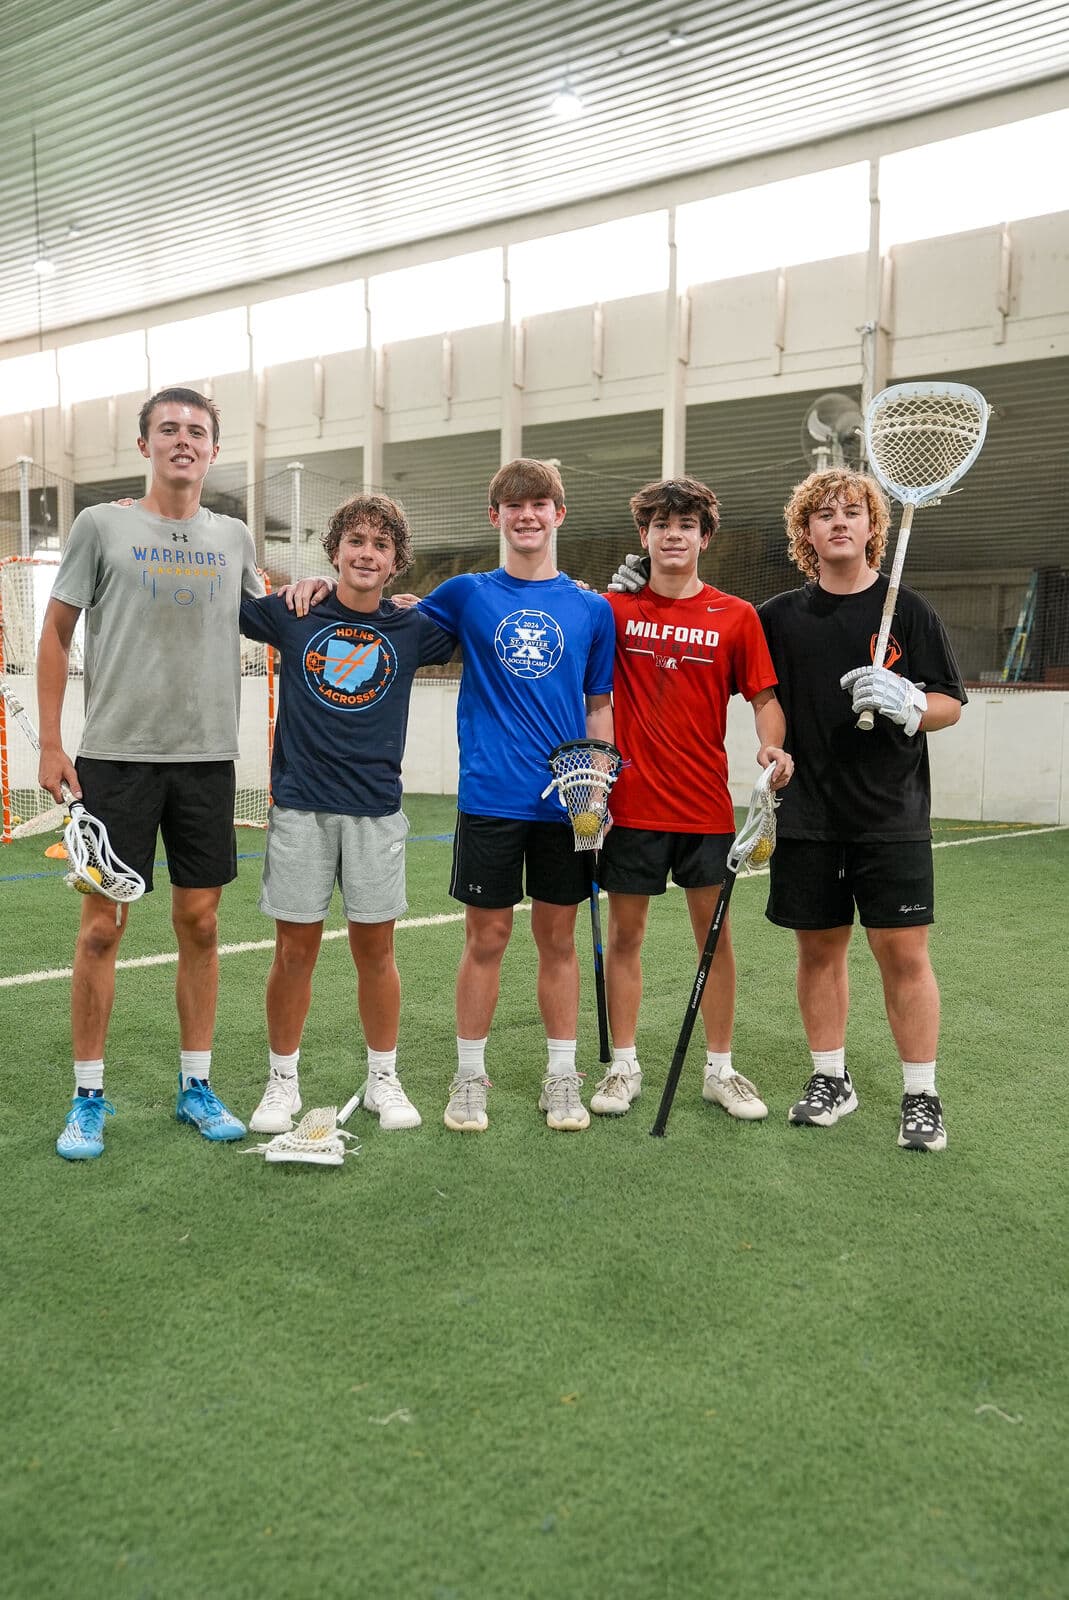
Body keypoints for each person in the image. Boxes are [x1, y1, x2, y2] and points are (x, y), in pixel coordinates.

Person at [37, 387, 262, 1160]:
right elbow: (57, 631)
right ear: (144, 445)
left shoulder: (233, 537)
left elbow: (272, 621)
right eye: (168, 428)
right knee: (103, 927)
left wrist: (329, 594)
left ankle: (195, 1085)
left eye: (196, 430)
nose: (182, 439)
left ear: (212, 449)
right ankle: (88, 1095)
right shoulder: (101, 526)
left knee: (200, 924)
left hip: (205, 762)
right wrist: (51, 743)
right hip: (116, 760)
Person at [758, 468, 966, 1152]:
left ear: (873, 527)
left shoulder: (907, 610)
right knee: (818, 951)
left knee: (902, 954)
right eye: (823, 515)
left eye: (851, 511)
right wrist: (772, 749)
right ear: (805, 533)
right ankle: (830, 1079)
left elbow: (948, 705)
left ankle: (920, 1095)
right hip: (809, 814)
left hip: (890, 816)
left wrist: (909, 703)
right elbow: (765, 697)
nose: (838, 522)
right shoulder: (779, 617)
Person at [238, 494, 454, 1135]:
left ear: (395, 563)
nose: (367, 553)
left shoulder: (415, 627)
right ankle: (282, 1082)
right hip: (301, 810)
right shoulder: (294, 612)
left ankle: (383, 1076)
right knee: (293, 952)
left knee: (376, 952)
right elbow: (229, 596)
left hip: (376, 812)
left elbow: (498, 616)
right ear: (334, 552)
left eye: (381, 545)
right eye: (355, 541)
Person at [593, 477, 792, 1123]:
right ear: (644, 536)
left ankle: (719, 1069)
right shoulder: (613, 610)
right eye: (660, 525)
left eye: (685, 525)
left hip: (705, 809)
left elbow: (764, 698)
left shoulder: (736, 616)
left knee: (714, 939)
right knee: (625, 937)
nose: (672, 535)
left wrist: (771, 749)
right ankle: (622, 1066)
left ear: (704, 538)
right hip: (629, 806)